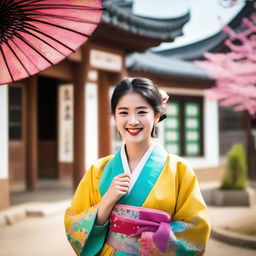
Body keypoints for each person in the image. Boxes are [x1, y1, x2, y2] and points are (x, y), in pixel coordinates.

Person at [64, 77, 210, 255]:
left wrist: (155, 241)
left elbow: (197, 228)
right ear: (114, 116)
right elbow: (74, 223)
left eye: (141, 112)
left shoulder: (179, 170)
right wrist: (106, 203)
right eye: (123, 113)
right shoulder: (98, 170)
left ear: (156, 116)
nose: (132, 121)